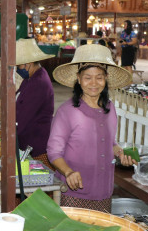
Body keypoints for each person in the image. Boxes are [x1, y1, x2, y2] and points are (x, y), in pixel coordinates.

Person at [48, 44, 135, 213]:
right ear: (78, 79)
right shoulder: (67, 112)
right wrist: (68, 172)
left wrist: (120, 153)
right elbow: (53, 152)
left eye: (99, 77)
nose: (94, 83)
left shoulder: (109, 108)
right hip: (74, 194)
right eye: (88, 77)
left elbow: (111, 143)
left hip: (104, 192)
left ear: (106, 78)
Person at [15, 38, 55, 168]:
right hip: (28, 141)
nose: (17, 69)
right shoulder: (31, 78)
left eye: (19, 65)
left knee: (40, 186)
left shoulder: (38, 83)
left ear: (29, 63)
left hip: (36, 147)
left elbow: (23, 117)